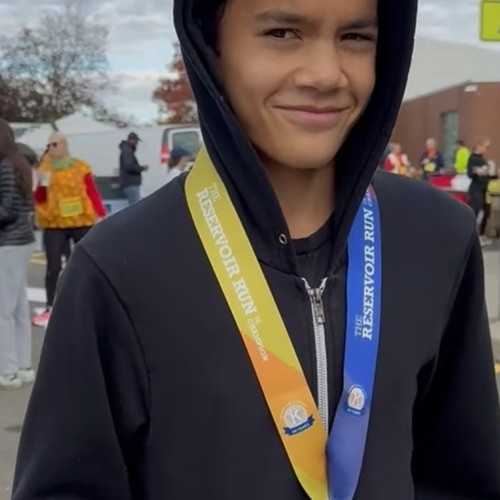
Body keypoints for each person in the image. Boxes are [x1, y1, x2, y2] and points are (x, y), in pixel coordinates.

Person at [13, 0, 500, 498]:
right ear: (211, 47)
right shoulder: (120, 266)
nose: (326, 74)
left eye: (355, 37)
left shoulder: (437, 236)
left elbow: (462, 473)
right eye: (283, 33)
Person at [31, 132, 106, 328]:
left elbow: (91, 191)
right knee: (53, 266)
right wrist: (40, 184)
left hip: (81, 221)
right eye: (49, 145)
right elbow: (39, 198)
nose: (51, 148)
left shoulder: (80, 166)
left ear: (64, 145)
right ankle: (50, 306)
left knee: (89, 263)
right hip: (54, 224)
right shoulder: (45, 169)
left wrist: (101, 214)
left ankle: (94, 303)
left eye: (55, 144)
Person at [0, 119, 37, 389]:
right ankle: (23, 366)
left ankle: (8, 370)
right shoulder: (20, 163)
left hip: (8, 242)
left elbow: (7, 209)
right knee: (19, 308)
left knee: (3, 309)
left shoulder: (5, 166)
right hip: (22, 240)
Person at [467, 136, 494, 240]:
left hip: (485, 189)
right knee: (476, 210)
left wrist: (494, 175)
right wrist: (477, 171)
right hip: (476, 189)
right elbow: (470, 173)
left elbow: (487, 175)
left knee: (487, 211)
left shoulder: (483, 159)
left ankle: (481, 234)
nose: (486, 149)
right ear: (478, 146)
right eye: (485, 147)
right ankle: (471, 234)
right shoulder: (472, 158)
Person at [119, 132, 149, 205]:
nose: (137, 143)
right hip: (130, 183)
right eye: (136, 141)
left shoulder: (126, 150)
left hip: (129, 183)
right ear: (131, 140)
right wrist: (141, 168)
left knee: (134, 205)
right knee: (135, 206)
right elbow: (129, 167)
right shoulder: (127, 151)